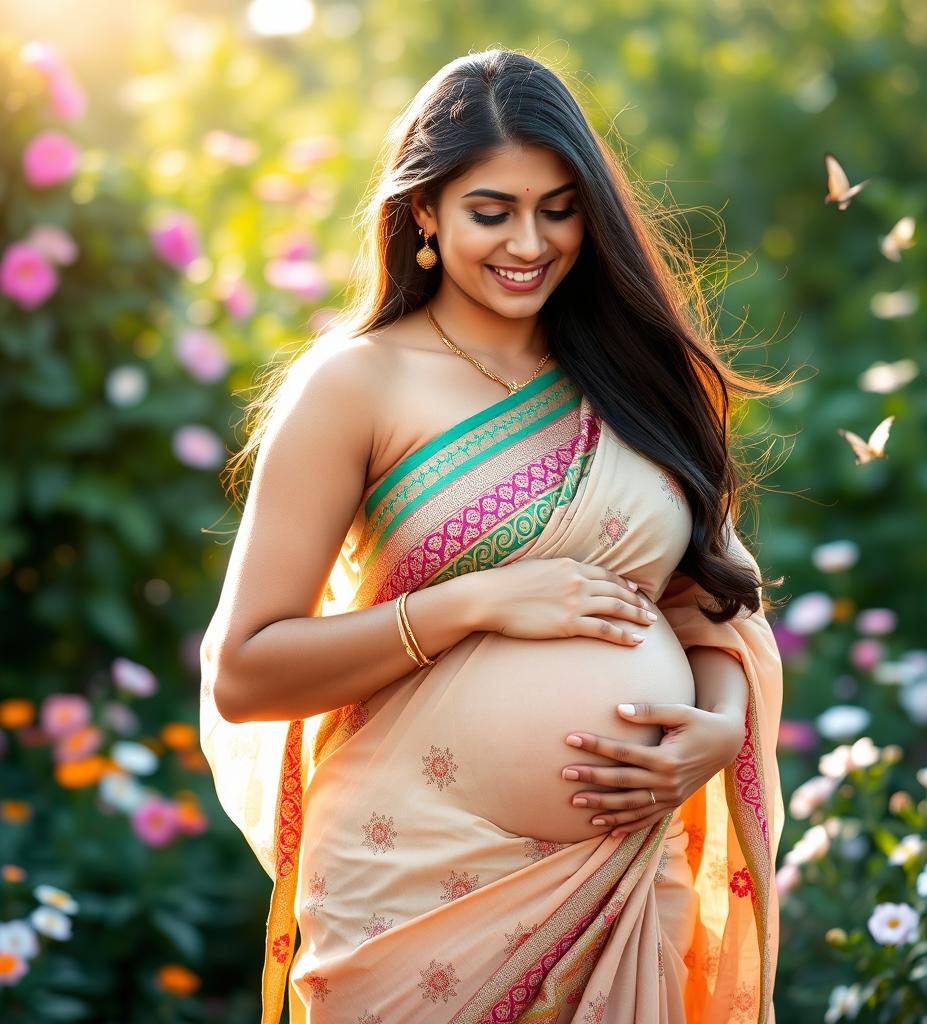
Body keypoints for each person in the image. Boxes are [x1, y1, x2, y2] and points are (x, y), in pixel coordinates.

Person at [199, 47, 792, 1024]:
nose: (530, 241)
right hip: (407, 885)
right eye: (492, 210)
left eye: (558, 207)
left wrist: (717, 728)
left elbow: (710, 603)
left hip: (623, 879)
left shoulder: (634, 377)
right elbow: (246, 670)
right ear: (424, 210)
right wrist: (471, 601)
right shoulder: (356, 385)